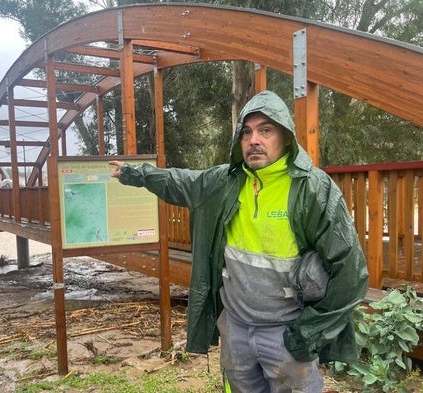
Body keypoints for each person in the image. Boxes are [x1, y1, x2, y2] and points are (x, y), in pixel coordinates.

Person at [109, 90, 368, 393]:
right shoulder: (225, 182)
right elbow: (178, 182)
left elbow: (350, 270)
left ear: (285, 137)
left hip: (288, 333)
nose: (254, 140)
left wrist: (308, 332)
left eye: (265, 130)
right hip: (236, 330)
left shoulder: (311, 188)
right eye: (247, 132)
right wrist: (133, 173)